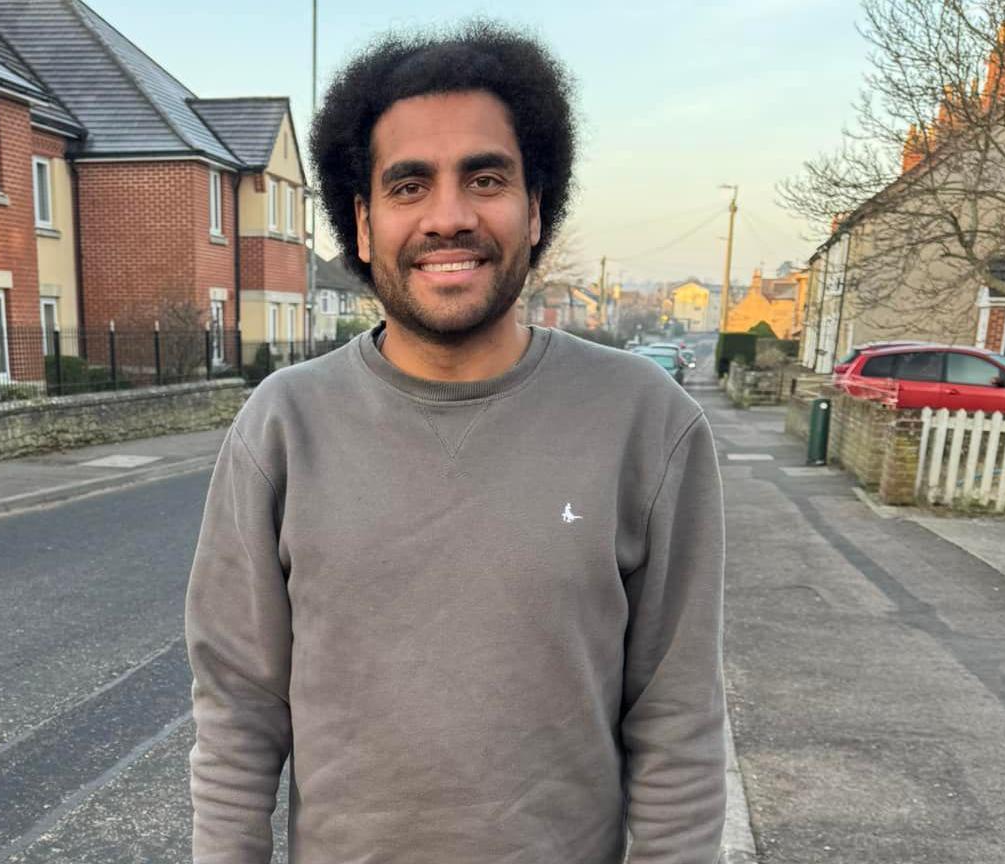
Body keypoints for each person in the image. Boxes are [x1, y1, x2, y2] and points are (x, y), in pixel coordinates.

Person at [185, 22, 726, 864]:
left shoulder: (645, 422)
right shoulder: (283, 427)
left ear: (536, 209)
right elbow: (236, 717)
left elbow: (678, 719)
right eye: (409, 185)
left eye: (485, 177)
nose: (449, 216)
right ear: (361, 225)